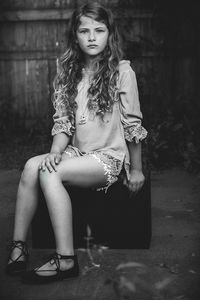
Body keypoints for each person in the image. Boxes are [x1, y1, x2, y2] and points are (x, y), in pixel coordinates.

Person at [5, 2, 148, 284]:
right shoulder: (67, 72)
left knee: (51, 172)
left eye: (99, 30)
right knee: (33, 166)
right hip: (77, 152)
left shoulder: (122, 72)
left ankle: (66, 259)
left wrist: (137, 169)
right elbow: (63, 123)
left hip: (108, 157)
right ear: (76, 35)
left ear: (110, 34)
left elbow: (133, 125)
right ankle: (18, 247)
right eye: (84, 30)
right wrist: (56, 152)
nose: (92, 37)